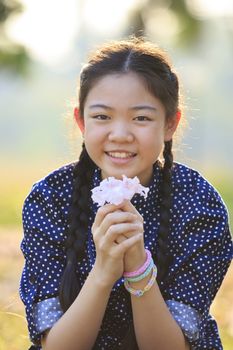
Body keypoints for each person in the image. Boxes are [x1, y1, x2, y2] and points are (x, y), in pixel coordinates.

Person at [19, 37, 233, 350]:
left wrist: (137, 266)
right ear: (81, 121)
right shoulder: (50, 198)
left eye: (141, 118)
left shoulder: (199, 205)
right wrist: (103, 273)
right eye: (102, 117)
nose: (120, 135)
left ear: (171, 123)